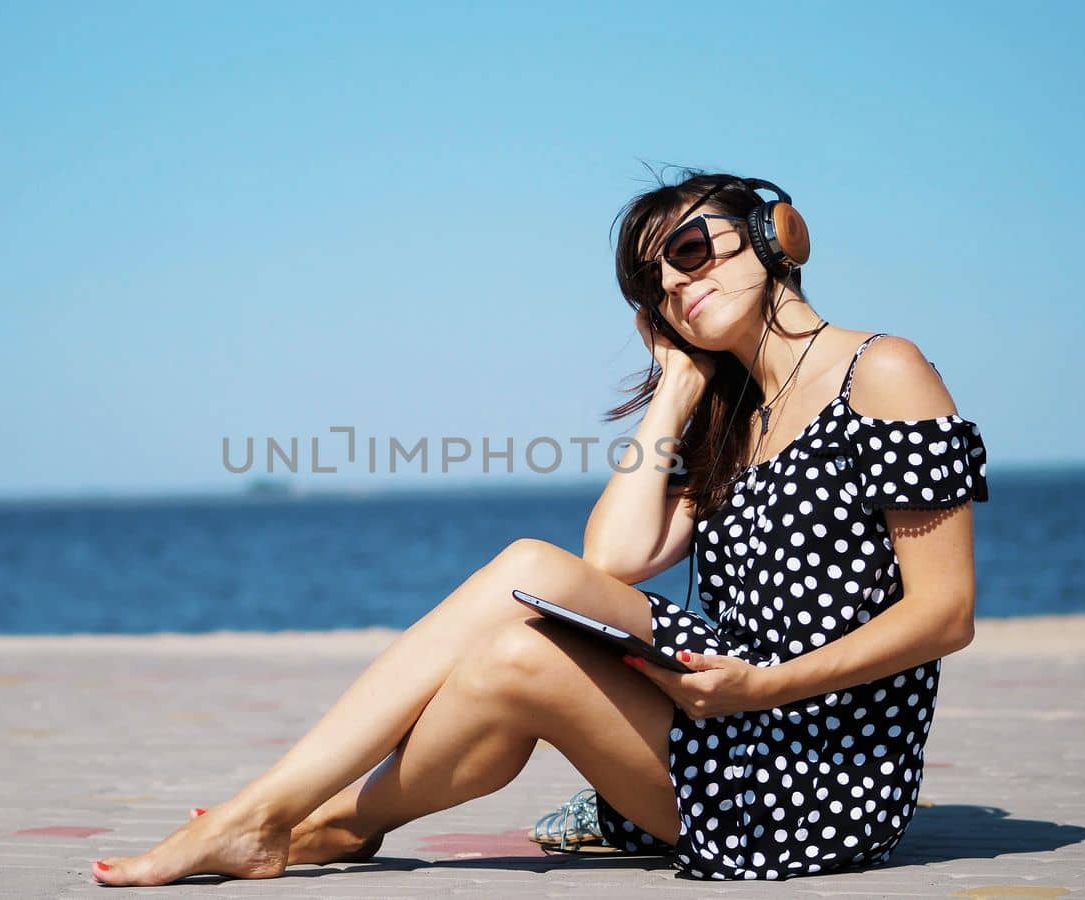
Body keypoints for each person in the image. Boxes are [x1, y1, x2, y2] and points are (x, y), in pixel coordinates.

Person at [91, 169, 989, 885]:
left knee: (526, 570)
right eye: (655, 280)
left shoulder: (883, 370)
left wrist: (764, 688)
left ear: (772, 234)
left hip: (814, 780)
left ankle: (267, 815)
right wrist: (678, 389)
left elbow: (945, 615)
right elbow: (614, 559)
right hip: (727, 723)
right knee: (510, 655)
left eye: (689, 248)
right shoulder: (732, 411)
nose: (678, 281)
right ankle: (324, 826)